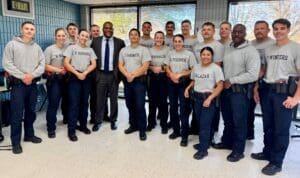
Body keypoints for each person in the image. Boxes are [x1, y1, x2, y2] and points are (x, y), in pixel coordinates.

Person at [251, 18, 300, 176]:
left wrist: (296, 98)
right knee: (268, 126)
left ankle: (276, 162)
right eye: (276, 28)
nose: (279, 31)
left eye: (282, 28)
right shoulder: (269, 49)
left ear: (288, 29)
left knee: (281, 129)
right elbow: (264, 70)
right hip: (267, 90)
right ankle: (267, 152)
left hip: (285, 93)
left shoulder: (296, 48)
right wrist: (256, 87)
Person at [212, 24, 260, 162]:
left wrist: (232, 80)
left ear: (245, 33)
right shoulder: (228, 48)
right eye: (235, 32)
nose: (237, 34)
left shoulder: (251, 51)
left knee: (240, 122)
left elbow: (253, 74)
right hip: (226, 91)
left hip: (240, 92)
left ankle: (238, 151)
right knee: (227, 120)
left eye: (240, 32)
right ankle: (227, 142)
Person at [3, 21, 45, 154]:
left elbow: (42, 65)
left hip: (32, 84)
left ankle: (29, 135)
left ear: (34, 32)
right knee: (16, 113)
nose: (29, 31)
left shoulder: (37, 47)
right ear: (22, 30)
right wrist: (23, 76)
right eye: (26, 29)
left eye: (32, 29)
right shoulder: (12, 44)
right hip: (18, 86)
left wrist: (31, 76)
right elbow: (7, 64)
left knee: (31, 112)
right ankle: (15, 142)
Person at [185, 46, 224, 160]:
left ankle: (203, 150)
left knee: (204, 125)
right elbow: (194, 80)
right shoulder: (196, 67)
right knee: (200, 123)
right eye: (203, 54)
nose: (205, 57)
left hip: (208, 99)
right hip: (197, 99)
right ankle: (205, 142)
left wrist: (210, 98)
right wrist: (187, 88)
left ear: (211, 56)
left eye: (208, 55)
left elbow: (220, 85)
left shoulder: (215, 68)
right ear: (200, 55)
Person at [193, 21, 224, 146]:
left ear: (213, 32)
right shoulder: (197, 46)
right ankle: (205, 139)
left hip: (211, 86)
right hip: (199, 82)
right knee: (201, 118)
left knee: (210, 117)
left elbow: (217, 65)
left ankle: (208, 140)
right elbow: (197, 65)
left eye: (209, 29)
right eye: (204, 29)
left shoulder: (218, 46)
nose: (206, 31)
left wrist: (212, 91)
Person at [91, 21, 125, 131]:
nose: (108, 30)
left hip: (113, 75)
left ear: (113, 29)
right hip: (100, 74)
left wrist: (119, 76)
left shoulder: (120, 42)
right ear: (103, 29)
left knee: (114, 100)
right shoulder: (95, 41)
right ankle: (98, 121)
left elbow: (123, 60)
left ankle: (113, 120)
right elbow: (91, 58)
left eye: (110, 28)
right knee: (99, 100)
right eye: (106, 28)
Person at [64, 29, 97, 142]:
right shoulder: (71, 48)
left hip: (86, 77)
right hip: (74, 77)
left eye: (86, 36)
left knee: (84, 103)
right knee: (74, 104)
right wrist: (77, 73)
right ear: (78, 36)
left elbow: (94, 64)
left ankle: (83, 125)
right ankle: (71, 130)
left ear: (88, 38)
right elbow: (66, 63)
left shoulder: (90, 50)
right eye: (82, 35)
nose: (84, 38)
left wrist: (85, 73)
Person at [165, 34, 197, 146]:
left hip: (184, 83)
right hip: (171, 83)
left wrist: (180, 75)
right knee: (173, 108)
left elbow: (193, 69)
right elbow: (166, 66)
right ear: (173, 43)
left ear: (183, 42)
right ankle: (176, 131)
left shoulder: (189, 54)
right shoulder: (170, 53)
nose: (177, 43)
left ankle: (184, 136)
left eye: (180, 41)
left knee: (184, 110)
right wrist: (171, 74)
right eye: (176, 41)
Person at [119, 28, 150, 141]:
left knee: (140, 105)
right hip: (127, 80)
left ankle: (142, 129)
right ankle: (133, 125)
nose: (133, 36)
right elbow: (120, 65)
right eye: (131, 35)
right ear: (129, 36)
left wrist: (133, 76)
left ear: (139, 37)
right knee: (129, 104)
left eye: (135, 35)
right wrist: (127, 75)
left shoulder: (144, 50)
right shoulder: (124, 50)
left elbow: (145, 66)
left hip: (139, 81)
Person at [247, 20, 275, 140]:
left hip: (267, 82)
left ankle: (269, 144)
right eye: (257, 29)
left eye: (262, 28)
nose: (259, 31)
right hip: (252, 80)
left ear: (268, 30)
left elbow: (266, 66)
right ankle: (249, 133)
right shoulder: (250, 44)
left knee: (268, 115)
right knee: (248, 108)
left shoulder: (273, 44)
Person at [44, 28, 68, 138]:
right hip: (54, 80)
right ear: (55, 36)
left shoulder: (68, 49)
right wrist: (59, 70)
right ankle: (51, 128)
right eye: (59, 35)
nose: (61, 38)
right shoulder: (49, 50)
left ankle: (67, 120)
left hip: (67, 79)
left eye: (63, 35)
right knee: (53, 105)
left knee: (68, 102)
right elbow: (45, 65)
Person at [146, 31, 169, 133]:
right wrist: (152, 67)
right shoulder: (149, 50)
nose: (159, 39)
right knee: (152, 102)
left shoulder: (168, 50)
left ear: (163, 39)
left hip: (164, 78)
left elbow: (169, 63)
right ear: (154, 39)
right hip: (152, 78)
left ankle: (164, 124)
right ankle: (151, 123)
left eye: (161, 38)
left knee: (163, 102)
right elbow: (146, 63)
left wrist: (161, 67)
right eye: (157, 37)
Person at [61, 22, 79, 124]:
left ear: (77, 30)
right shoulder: (64, 42)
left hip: (78, 72)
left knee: (76, 96)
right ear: (67, 31)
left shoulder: (81, 41)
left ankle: (76, 115)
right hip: (66, 72)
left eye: (74, 29)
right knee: (66, 96)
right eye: (70, 29)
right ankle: (66, 116)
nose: (72, 30)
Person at [88, 24, 102, 125]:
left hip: (102, 73)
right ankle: (93, 117)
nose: (96, 32)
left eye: (97, 31)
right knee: (93, 97)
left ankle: (104, 115)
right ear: (90, 32)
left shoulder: (104, 42)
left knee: (103, 96)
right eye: (94, 31)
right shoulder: (87, 43)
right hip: (91, 74)